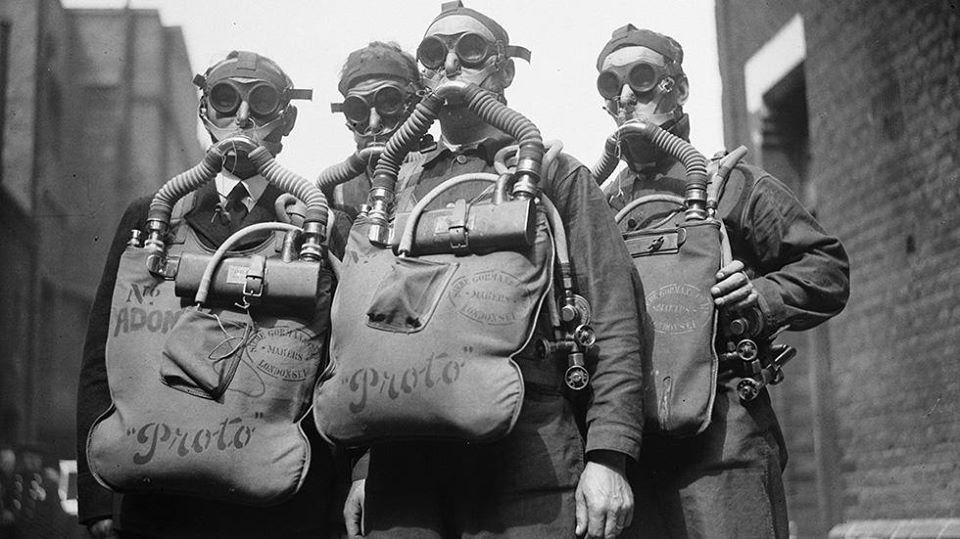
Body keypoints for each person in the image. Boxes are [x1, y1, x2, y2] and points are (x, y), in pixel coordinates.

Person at [342, 3, 646, 538]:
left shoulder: (555, 175)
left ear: (504, 72)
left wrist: (608, 456)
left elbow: (615, 318)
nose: (450, 66)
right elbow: (367, 334)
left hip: (526, 459)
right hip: (405, 469)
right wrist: (366, 467)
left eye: (470, 51)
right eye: (434, 55)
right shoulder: (396, 186)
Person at [594, 25, 850, 538]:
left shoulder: (732, 185)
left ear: (680, 88)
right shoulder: (601, 206)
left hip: (723, 439)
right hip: (631, 449)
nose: (626, 97)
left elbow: (826, 267)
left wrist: (760, 298)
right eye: (611, 85)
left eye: (642, 79)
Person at [76, 51, 343, 539]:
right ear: (204, 111)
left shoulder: (315, 224)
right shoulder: (153, 217)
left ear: (286, 120)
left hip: (277, 507)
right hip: (161, 497)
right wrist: (98, 498)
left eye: (261, 103)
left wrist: (332, 499)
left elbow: (336, 365)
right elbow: (102, 356)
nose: (241, 117)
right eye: (225, 99)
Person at [326, 42, 424, 218]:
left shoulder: (445, 174)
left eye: (389, 103)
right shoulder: (338, 192)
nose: (373, 124)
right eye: (358, 109)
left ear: (416, 106)